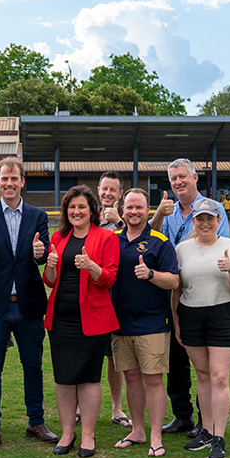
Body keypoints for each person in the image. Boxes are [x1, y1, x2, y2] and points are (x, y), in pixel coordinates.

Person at [0, 158, 58, 452]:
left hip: (28, 304)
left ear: (23, 182)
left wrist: (40, 252)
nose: (9, 184)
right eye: (4, 179)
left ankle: (36, 421)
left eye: (14, 179)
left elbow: (43, 253)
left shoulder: (37, 216)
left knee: (33, 366)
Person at [149, 158, 229, 438]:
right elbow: (149, 240)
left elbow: (220, 246)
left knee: (204, 363)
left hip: (202, 295)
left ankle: (205, 422)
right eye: (173, 179)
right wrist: (158, 213)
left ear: (196, 177)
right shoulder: (167, 211)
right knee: (173, 359)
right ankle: (182, 415)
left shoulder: (212, 210)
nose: (178, 182)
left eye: (183, 177)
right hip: (170, 292)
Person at [43, 185, 119, 458]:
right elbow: (50, 281)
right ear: (66, 211)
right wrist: (51, 265)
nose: (76, 211)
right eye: (72, 207)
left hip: (93, 319)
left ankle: (88, 435)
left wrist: (91, 266)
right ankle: (67, 433)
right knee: (63, 379)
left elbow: (110, 278)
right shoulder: (58, 237)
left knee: (88, 379)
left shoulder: (106, 238)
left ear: (92, 211)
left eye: (82, 207)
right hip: (61, 318)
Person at [171, 198, 230, 458]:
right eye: (200, 219)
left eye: (210, 219)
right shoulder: (182, 249)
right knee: (203, 375)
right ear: (193, 221)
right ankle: (205, 431)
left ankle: (219, 436)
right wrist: (177, 321)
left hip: (224, 313)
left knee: (219, 377)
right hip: (191, 314)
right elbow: (178, 290)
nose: (205, 223)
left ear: (218, 221)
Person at [109, 188, 180, 457]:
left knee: (153, 380)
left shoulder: (160, 242)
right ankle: (137, 431)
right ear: (122, 209)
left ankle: (155, 436)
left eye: (139, 207)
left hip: (152, 322)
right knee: (131, 377)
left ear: (148, 210)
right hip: (120, 323)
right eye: (129, 207)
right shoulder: (112, 239)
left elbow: (173, 281)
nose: (134, 212)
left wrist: (150, 273)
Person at [96, 171, 131, 429]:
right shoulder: (86, 213)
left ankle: (117, 408)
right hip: (90, 295)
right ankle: (77, 407)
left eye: (113, 190)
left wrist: (119, 222)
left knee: (114, 357)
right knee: (86, 352)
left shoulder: (127, 217)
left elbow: (133, 244)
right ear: (98, 190)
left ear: (120, 194)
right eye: (104, 188)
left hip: (116, 296)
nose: (108, 193)